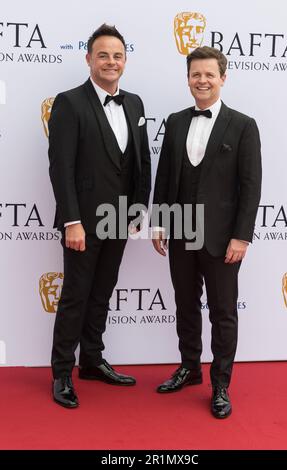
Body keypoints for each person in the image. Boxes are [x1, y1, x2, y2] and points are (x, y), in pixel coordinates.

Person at [152, 46, 261, 418]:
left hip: (221, 237)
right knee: (185, 303)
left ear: (223, 78)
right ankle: (188, 367)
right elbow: (165, 175)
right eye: (195, 74)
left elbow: (250, 185)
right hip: (181, 231)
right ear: (188, 79)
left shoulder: (243, 125)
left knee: (222, 312)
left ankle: (221, 384)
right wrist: (160, 221)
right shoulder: (176, 120)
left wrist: (241, 236)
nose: (202, 80)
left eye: (209, 74)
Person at [48, 24, 151, 408]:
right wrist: (71, 221)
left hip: (120, 220)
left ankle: (91, 360)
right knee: (75, 295)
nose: (111, 62)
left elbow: (142, 160)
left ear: (125, 60)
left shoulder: (136, 103)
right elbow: (61, 167)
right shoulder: (69, 102)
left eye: (118, 55)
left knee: (102, 293)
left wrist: (139, 209)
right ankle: (61, 372)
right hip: (84, 224)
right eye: (103, 55)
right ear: (89, 58)